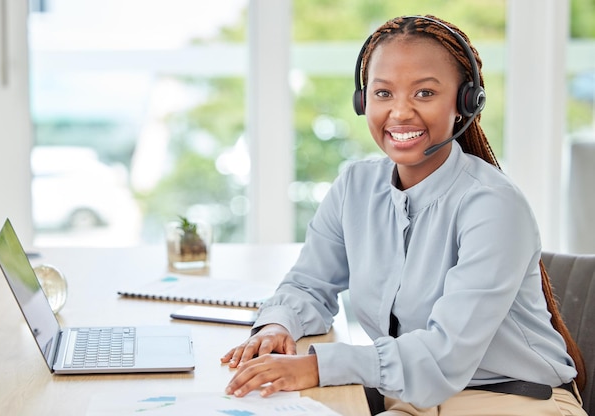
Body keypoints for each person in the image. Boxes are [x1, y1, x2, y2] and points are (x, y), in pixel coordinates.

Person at [221, 15, 588, 415]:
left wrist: (315, 366)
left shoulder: (494, 206)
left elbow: (443, 355)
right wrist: (277, 326)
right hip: (412, 396)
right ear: (363, 102)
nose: (400, 113)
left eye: (425, 93)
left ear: (465, 102)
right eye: (382, 93)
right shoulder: (355, 187)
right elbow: (309, 285)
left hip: (512, 401)